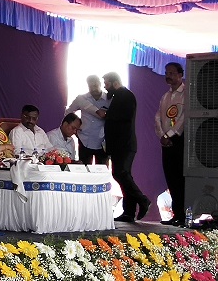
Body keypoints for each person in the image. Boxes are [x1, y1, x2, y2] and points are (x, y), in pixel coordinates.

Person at [103, 71, 150, 222]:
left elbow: (124, 117)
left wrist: (107, 115)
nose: (105, 87)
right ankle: (129, 212)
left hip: (125, 144)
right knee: (121, 174)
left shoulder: (126, 95)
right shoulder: (118, 96)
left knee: (122, 173)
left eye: (106, 83)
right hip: (118, 145)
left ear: (114, 82)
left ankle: (142, 200)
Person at [155, 62, 186, 226]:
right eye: (167, 73)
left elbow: (184, 118)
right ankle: (177, 214)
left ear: (180, 75)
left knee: (181, 177)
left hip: (180, 140)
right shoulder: (165, 96)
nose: (168, 76)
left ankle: (184, 215)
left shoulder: (186, 94)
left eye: (172, 73)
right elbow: (158, 117)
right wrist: (162, 135)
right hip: (166, 141)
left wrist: (170, 135)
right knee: (171, 178)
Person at [67, 75, 110, 165]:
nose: (93, 89)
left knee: (102, 170)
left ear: (100, 84)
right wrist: (74, 127)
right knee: (84, 169)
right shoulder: (81, 99)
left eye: (95, 85)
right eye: (90, 86)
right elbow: (68, 112)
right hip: (84, 138)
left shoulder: (109, 99)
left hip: (102, 140)